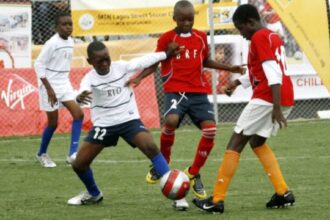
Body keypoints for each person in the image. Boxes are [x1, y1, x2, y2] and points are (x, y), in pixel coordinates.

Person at [126, 0, 245, 210]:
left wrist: (231, 68)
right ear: (174, 19)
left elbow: (205, 61)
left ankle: (194, 172)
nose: (187, 23)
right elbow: (156, 61)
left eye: (190, 19)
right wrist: (139, 77)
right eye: (182, 19)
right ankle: (161, 164)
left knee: (211, 129)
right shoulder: (167, 39)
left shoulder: (200, 37)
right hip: (176, 90)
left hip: (198, 92)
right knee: (171, 120)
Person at [192, 4, 295, 213]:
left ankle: (217, 200)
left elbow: (272, 72)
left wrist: (275, 107)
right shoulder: (271, 36)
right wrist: (237, 82)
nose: (241, 34)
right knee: (257, 142)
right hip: (285, 95)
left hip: (268, 97)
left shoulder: (258, 37)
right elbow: (261, 70)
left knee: (235, 141)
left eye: (241, 28)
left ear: (251, 22)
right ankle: (283, 193)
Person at [67, 41, 179, 205]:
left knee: (151, 147)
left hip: (128, 119)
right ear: (90, 61)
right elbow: (82, 90)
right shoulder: (89, 78)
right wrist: (79, 97)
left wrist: (166, 54)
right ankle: (94, 194)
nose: (105, 63)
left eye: (107, 58)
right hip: (104, 124)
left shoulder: (121, 67)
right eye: (100, 61)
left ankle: (177, 195)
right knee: (79, 164)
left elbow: (144, 61)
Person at [34, 12, 83, 168]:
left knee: (79, 114)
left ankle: (72, 155)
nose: (68, 27)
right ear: (56, 27)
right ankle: (41, 153)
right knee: (53, 123)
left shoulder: (71, 41)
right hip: (49, 86)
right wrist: (49, 89)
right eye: (64, 24)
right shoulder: (51, 43)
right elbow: (38, 65)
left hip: (64, 84)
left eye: (70, 24)